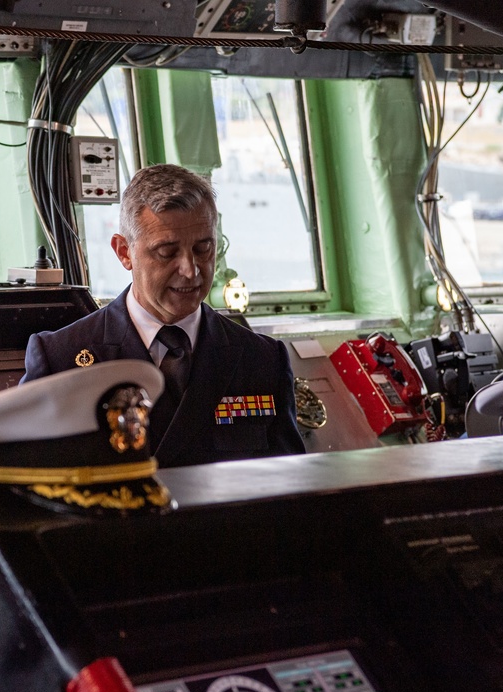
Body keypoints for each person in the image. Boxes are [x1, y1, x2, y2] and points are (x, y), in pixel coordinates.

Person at [21, 163, 305, 468]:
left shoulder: (261, 359)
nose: (190, 270)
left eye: (203, 248)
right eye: (167, 252)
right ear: (124, 252)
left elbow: (290, 487)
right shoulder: (62, 359)